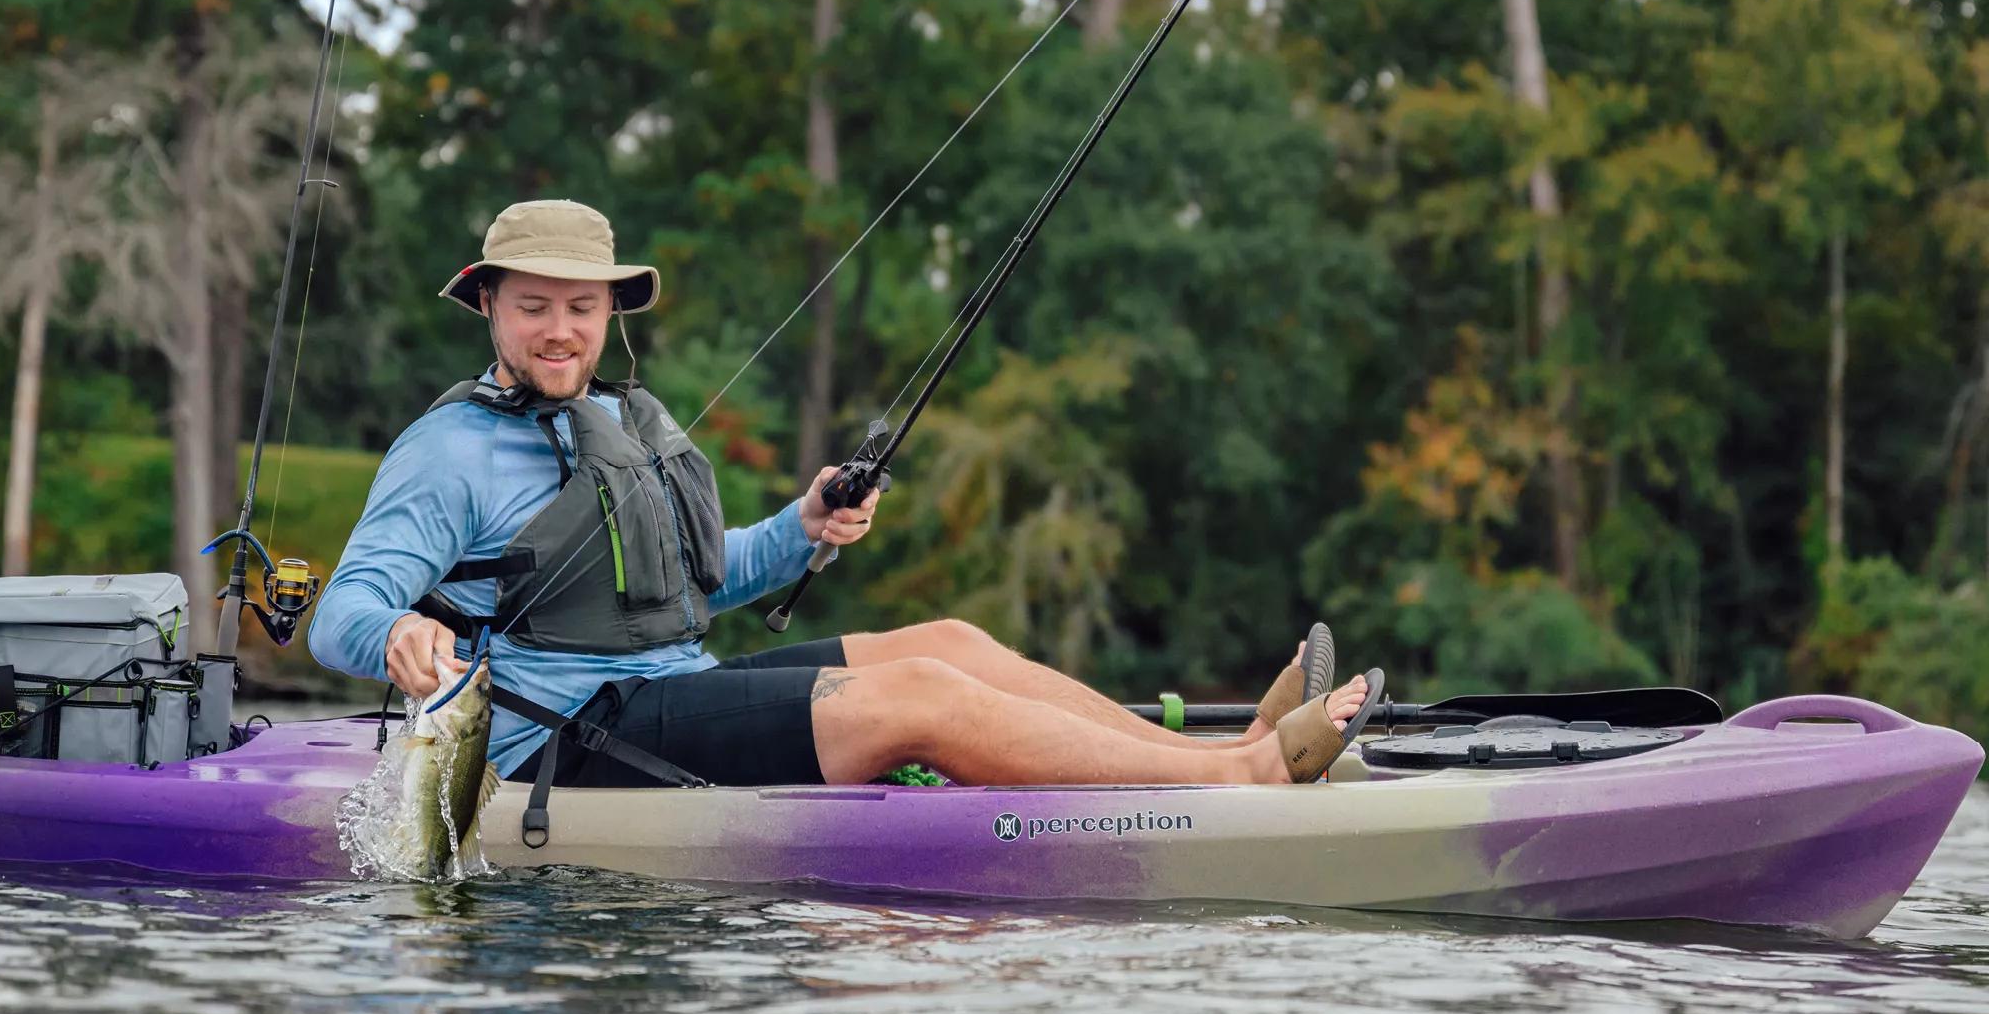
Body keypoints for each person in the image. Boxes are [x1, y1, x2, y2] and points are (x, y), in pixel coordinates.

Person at [310, 199, 1370, 794]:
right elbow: (342, 615)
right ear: (487, 305)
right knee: (915, 696)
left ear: (608, 311)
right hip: (559, 739)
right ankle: (1231, 790)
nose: (558, 329)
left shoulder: (625, 417)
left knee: (947, 640)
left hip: (670, 687)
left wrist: (802, 525)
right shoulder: (445, 450)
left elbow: (690, 584)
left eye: (579, 307)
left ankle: (1220, 752)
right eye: (532, 305)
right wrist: (399, 628)